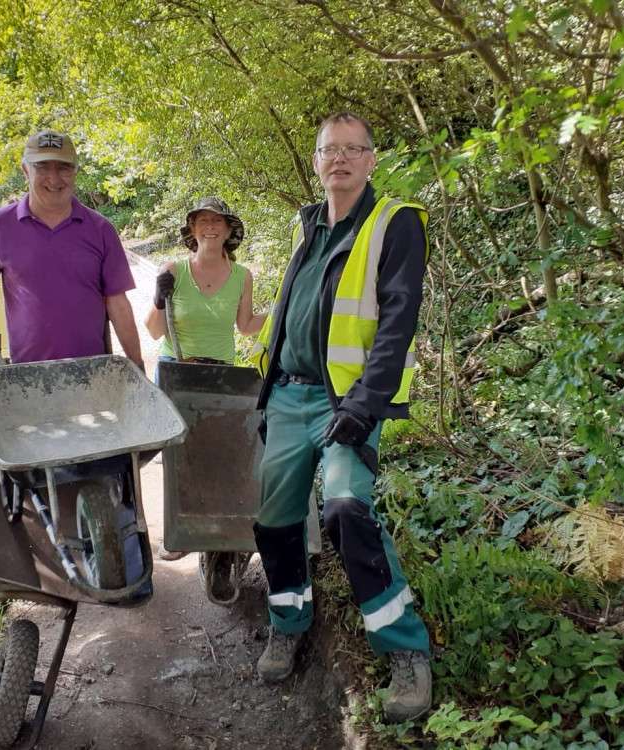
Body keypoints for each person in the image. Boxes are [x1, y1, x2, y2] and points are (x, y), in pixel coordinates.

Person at [251, 112, 432, 723]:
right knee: (274, 519)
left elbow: (397, 324)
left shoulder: (394, 224)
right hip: (287, 396)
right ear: (317, 160)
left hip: (345, 403)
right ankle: (288, 621)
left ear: (372, 160)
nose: (341, 159)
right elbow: (287, 316)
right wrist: (265, 391)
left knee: (346, 508)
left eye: (354, 150)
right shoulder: (308, 225)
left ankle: (405, 649)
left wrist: (363, 404)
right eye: (331, 149)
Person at [144, 196, 265, 561]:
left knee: (216, 454)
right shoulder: (174, 270)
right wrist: (157, 298)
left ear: (229, 231)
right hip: (177, 371)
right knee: (178, 456)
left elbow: (245, 327)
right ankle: (177, 535)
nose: (210, 226)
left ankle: (215, 531)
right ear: (192, 230)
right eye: (203, 221)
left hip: (220, 375)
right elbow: (153, 331)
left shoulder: (243, 276)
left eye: (218, 221)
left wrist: (285, 313)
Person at [0, 128, 144, 370]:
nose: (54, 178)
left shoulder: (101, 230)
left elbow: (118, 303)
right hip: (27, 376)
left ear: (76, 171)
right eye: (43, 167)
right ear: (26, 170)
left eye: (63, 167)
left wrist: (137, 365)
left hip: (93, 373)